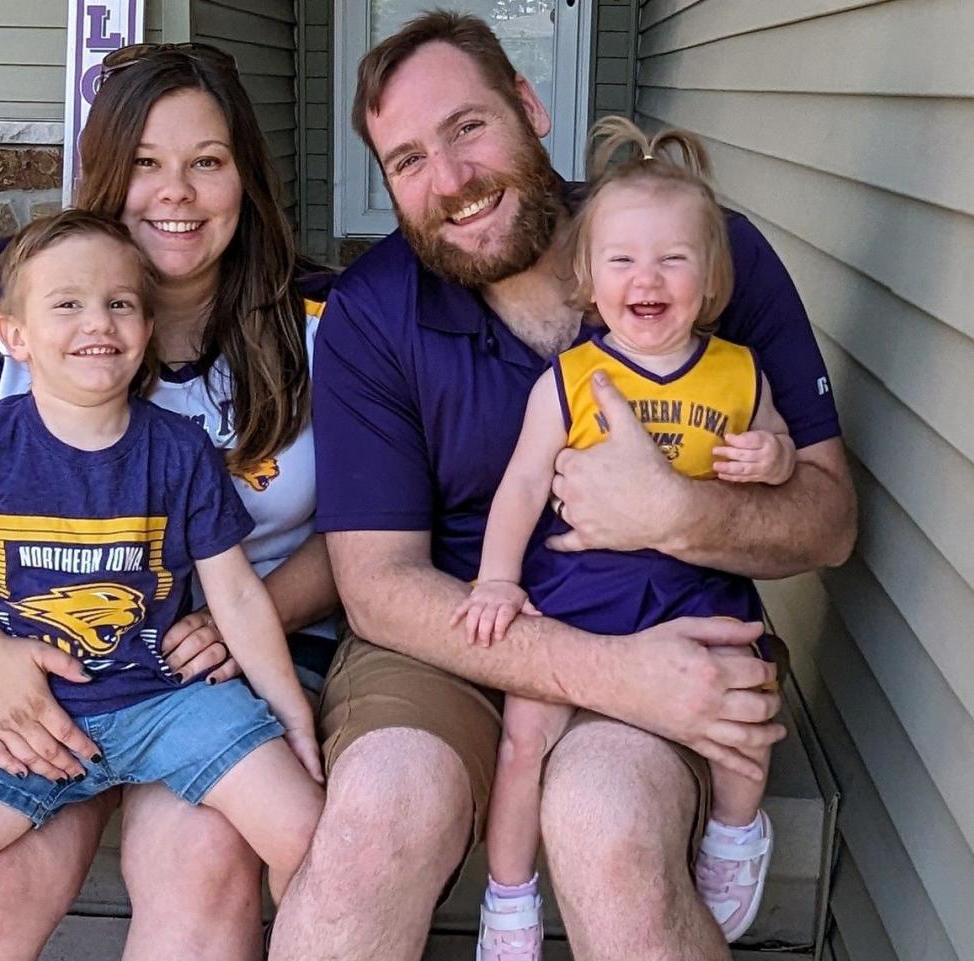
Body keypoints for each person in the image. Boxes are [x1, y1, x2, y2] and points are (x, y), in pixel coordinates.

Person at [269, 12, 855, 961]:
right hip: (456, 632)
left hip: (655, 607)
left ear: (531, 106)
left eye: (468, 128)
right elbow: (377, 584)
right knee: (373, 824)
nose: (451, 182)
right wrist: (602, 671)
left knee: (606, 824)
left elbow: (827, 521)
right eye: (407, 159)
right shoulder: (373, 314)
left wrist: (679, 512)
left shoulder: (688, 251)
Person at [0, 43, 337, 960]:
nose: (175, 192)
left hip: (232, 661)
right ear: (103, 174)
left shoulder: (321, 318)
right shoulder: (5, 291)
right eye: (143, 164)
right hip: (30, 641)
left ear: (245, 175)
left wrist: (246, 618)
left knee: (207, 869)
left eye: (207, 162)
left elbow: (363, 529)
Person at [452, 117, 797, 957]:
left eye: (674, 259)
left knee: (747, 700)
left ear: (711, 276)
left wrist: (770, 453)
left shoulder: (739, 371)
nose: (648, 278)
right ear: (589, 280)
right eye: (623, 260)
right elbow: (525, 484)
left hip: (694, 587)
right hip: (582, 590)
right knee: (526, 731)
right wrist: (497, 579)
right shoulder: (571, 378)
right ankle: (508, 893)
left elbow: (783, 449)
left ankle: (734, 833)